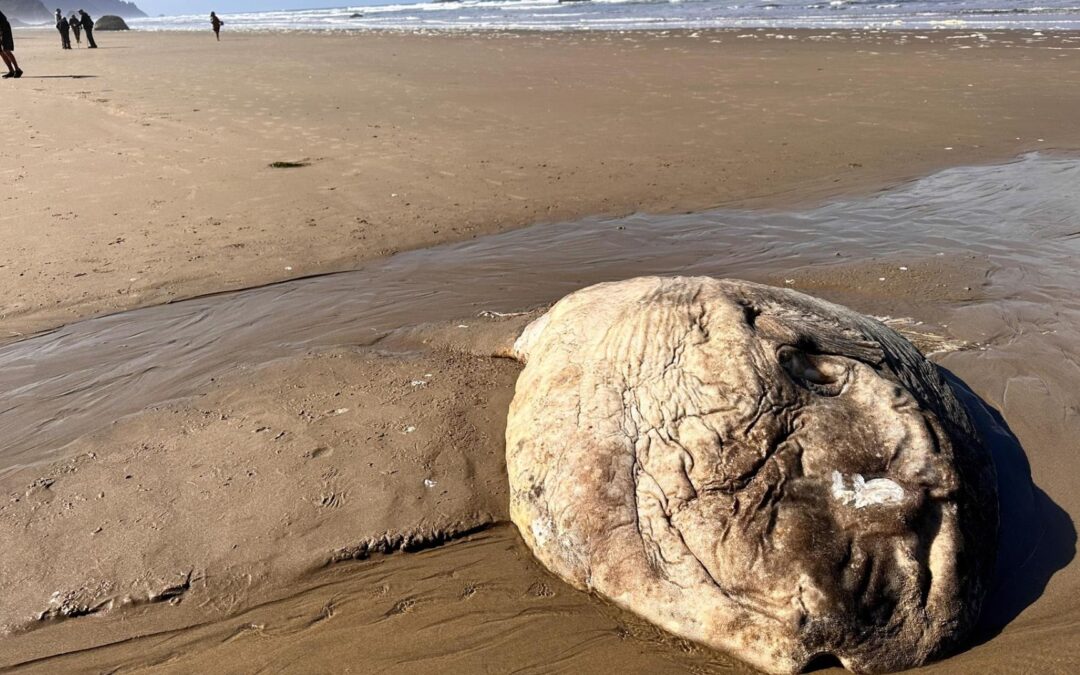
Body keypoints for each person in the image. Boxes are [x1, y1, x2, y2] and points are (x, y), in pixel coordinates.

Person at [0, 11, 22, 79]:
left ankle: (17, 69)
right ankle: (11, 71)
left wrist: (1, 33)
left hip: (4, 29)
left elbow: (3, 20)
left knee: (6, 50)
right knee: (1, 52)